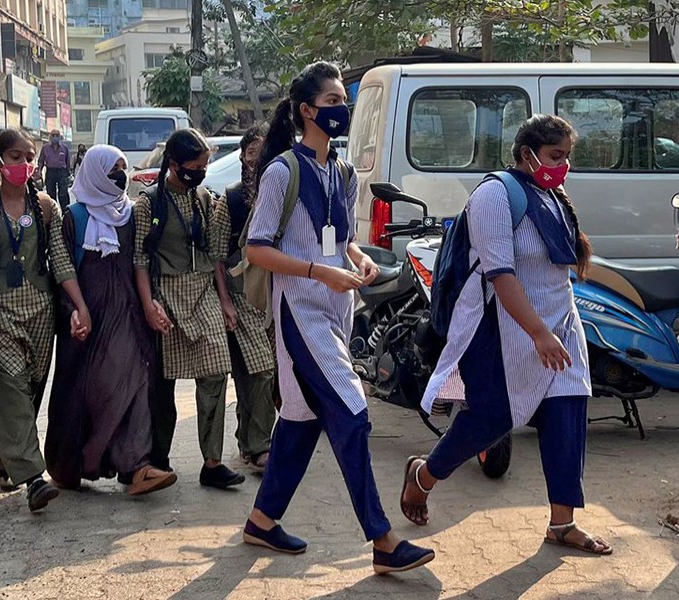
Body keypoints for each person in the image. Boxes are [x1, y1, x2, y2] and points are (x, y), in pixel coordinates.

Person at [241, 62, 435, 574]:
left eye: (340, 101)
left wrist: (356, 257)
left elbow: (338, 237)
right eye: (330, 103)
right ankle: (383, 539)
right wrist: (317, 272)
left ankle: (262, 521)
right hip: (300, 309)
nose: (340, 111)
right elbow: (257, 248)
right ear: (306, 111)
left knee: (302, 421)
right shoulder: (284, 169)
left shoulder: (343, 172)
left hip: (335, 307)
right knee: (351, 411)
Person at [400, 114, 612, 556]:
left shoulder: (551, 195)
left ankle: (562, 523)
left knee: (567, 415)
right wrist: (537, 332)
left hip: (559, 324)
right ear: (526, 154)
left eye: (567, 158)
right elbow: (500, 274)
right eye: (556, 157)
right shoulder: (496, 195)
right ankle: (424, 475)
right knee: (492, 417)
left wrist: (555, 329)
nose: (563, 166)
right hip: (501, 327)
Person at [45, 144, 177, 495]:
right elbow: (62, 266)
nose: (119, 175)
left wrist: (150, 304)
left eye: (122, 168)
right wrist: (76, 308)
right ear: (93, 172)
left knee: (134, 383)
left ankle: (137, 466)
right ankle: (77, 462)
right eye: (111, 169)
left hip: (128, 316)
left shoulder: (132, 213)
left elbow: (141, 263)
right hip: (87, 319)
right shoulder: (74, 216)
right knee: (87, 392)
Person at [0, 128, 85, 511]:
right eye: (16, 156)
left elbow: (59, 258)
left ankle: (7, 454)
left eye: (28, 156)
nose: (23, 164)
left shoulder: (45, 207)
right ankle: (34, 479)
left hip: (41, 311)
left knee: (31, 388)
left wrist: (79, 305)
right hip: (0, 313)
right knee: (9, 385)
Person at [134, 128, 245, 489]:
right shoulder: (149, 203)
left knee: (215, 373)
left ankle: (212, 462)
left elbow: (214, 254)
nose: (200, 172)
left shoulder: (205, 198)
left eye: (204, 166)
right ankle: (157, 460)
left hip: (203, 290)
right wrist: (150, 303)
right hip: (166, 292)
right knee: (163, 385)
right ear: (173, 164)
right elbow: (139, 259)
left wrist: (225, 300)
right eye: (194, 166)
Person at [211, 125, 276, 472]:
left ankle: (248, 443)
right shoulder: (232, 201)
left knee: (259, 375)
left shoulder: (281, 196)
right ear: (242, 158)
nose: (258, 161)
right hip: (241, 297)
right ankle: (262, 446)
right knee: (261, 371)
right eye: (253, 153)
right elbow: (218, 258)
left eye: (264, 153)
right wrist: (225, 302)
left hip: (274, 297)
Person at [36, 129, 71, 209]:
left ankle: (65, 212)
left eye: (57, 135)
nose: (55, 137)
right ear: (50, 137)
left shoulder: (64, 148)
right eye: (53, 135)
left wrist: (67, 173)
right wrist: (39, 172)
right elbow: (41, 160)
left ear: (60, 137)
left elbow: (67, 161)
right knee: (51, 194)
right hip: (50, 171)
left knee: (63, 194)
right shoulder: (45, 148)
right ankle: (53, 212)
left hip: (61, 172)